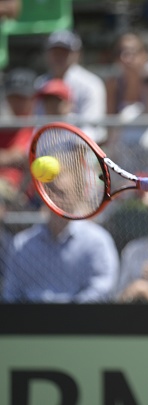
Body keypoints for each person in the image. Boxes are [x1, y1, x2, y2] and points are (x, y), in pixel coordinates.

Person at [2, 207, 119, 303]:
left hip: (82, 320)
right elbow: (11, 292)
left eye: (62, 193)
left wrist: (70, 314)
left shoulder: (97, 241)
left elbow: (103, 287)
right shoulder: (21, 243)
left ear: (76, 196)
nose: (55, 199)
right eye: (50, 191)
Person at [37, 29, 107, 144]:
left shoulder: (91, 84)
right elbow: (37, 122)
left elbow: (92, 128)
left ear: (77, 54)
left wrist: (72, 148)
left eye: (64, 52)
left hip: (82, 150)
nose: (59, 56)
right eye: (55, 51)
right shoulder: (40, 83)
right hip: (46, 147)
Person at [0, 68, 37, 207]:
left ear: (33, 98)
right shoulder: (4, 127)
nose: (17, 103)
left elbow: (23, 157)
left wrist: (14, 157)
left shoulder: (38, 127)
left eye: (22, 97)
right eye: (13, 97)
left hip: (25, 196)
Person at [104, 30, 148, 115]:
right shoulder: (112, 87)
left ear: (145, 55)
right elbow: (110, 119)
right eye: (120, 52)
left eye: (131, 52)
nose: (124, 58)